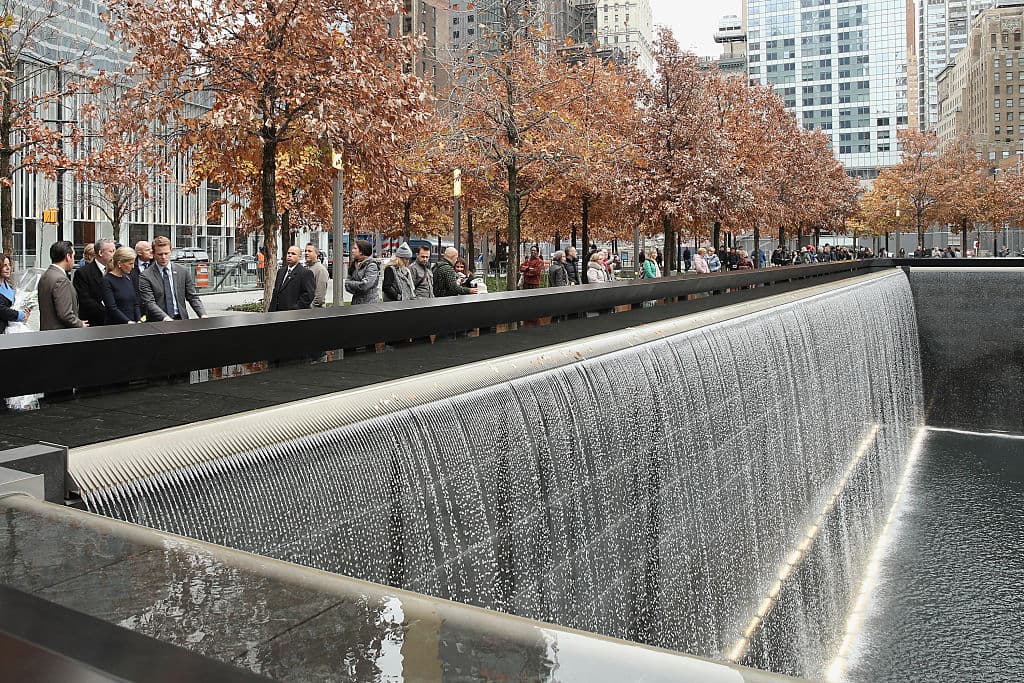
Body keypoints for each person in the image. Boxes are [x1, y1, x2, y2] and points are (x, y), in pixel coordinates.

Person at [139, 236, 209, 320]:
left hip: (180, 319)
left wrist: (203, 314)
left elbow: (192, 297)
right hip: (158, 322)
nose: (163, 257)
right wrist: (165, 318)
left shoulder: (182, 271)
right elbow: (149, 302)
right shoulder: (146, 276)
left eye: (166, 253)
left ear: (171, 252)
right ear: (153, 254)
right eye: (160, 254)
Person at [38, 241, 86, 330]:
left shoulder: (46, 275)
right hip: (61, 335)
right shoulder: (61, 279)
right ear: (68, 257)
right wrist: (79, 324)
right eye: (73, 256)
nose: (73, 260)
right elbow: (65, 314)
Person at [74, 237, 114, 327]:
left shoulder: (115, 271)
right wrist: (109, 311)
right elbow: (85, 300)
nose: (114, 255)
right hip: (94, 323)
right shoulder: (83, 273)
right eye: (111, 251)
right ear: (100, 253)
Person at [100, 246, 141, 324]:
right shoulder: (107, 280)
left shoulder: (128, 278)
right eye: (130, 264)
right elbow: (111, 307)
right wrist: (127, 321)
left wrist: (138, 319)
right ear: (119, 263)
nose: (132, 267)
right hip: (115, 326)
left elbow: (135, 303)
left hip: (132, 324)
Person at [269, 244, 315, 311]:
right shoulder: (281, 271)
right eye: (288, 253)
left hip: (293, 314)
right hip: (277, 314)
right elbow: (276, 292)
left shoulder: (305, 273)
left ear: (299, 257)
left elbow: (308, 296)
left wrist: (295, 309)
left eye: (293, 254)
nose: (289, 255)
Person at [0, 252, 29, 334]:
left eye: (9, 265)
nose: (8, 268)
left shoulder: (9, 286)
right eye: (4, 265)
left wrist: (25, 313)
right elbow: (2, 310)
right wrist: (20, 315)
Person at [345, 239, 380, 305]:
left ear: (361, 251)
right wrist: (356, 286)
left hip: (370, 304)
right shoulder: (353, 265)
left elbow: (365, 285)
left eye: (355, 248)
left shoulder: (372, 265)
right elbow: (347, 285)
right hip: (356, 302)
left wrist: (351, 284)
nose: (352, 251)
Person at [304, 243, 329, 307]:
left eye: (309, 251)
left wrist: (310, 308)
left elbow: (319, 297)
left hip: (314, 313)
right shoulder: (307, 268)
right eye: (305, 251)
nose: (306, 253)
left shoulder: (320, 270)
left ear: (316, 254)